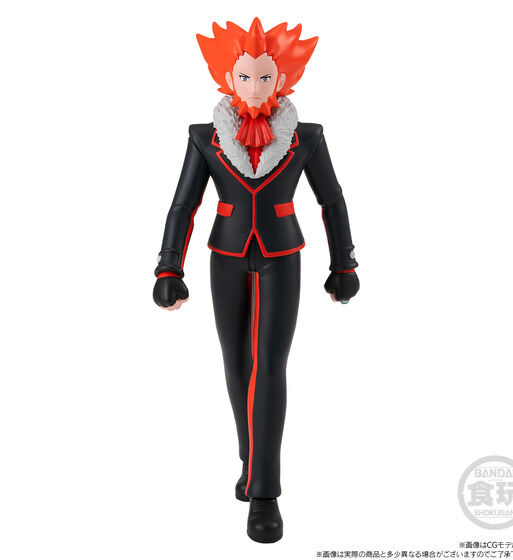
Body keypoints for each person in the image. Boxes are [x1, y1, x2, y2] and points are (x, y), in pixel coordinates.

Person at [153, 17, 360, 543]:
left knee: (270, 366)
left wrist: (344, 263)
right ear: (228, 78)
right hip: (225, 255)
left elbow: (331, 200)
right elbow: (183, 204)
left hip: (281, 257)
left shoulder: (306, 137)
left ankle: (265, 492)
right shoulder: (204, 137)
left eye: (264, 77)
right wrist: (168, 266)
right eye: (244, 77)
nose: (254, 87)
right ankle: (251, 458)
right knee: (235, 363)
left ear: (282, 79)